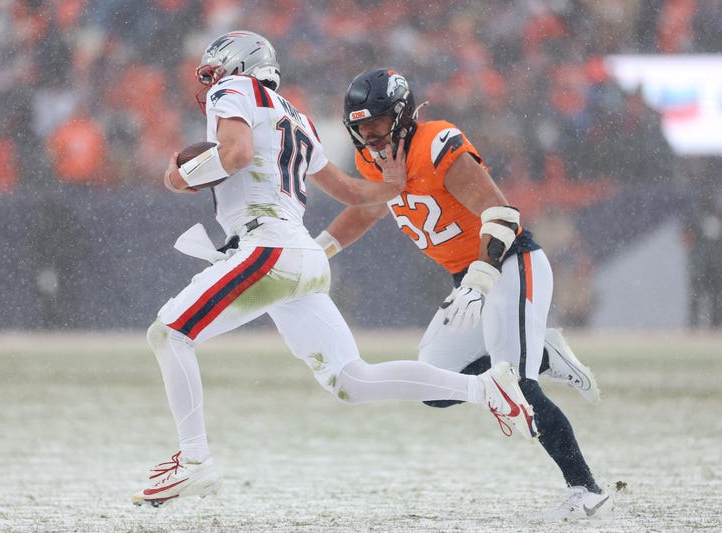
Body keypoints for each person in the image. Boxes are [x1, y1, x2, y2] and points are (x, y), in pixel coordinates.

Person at [132, 31, 538, 508]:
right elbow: (351, 192)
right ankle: (484, 387)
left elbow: (237, 154)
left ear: (239, 67)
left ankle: (194, 461)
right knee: (353, 379)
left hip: (267, 247)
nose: (212, 83)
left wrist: (181, 176)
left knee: (170, 333)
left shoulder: (234, 91)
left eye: (215, 72)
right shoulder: (297, 117)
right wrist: (394, 183)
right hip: (300, 253)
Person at [314, 68, 609, 520]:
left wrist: (481, 280)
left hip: (509, 264)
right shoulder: (374, 161)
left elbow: (503, 215)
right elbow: (367, 209)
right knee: (434, 384)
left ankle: (585, 488)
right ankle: (545, 354)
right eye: (361, 127)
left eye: (376, 124)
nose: (369, 136)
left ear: (402, 116)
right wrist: (320, 251)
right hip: (466, 278)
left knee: (517, 384)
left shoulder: (435, 144)